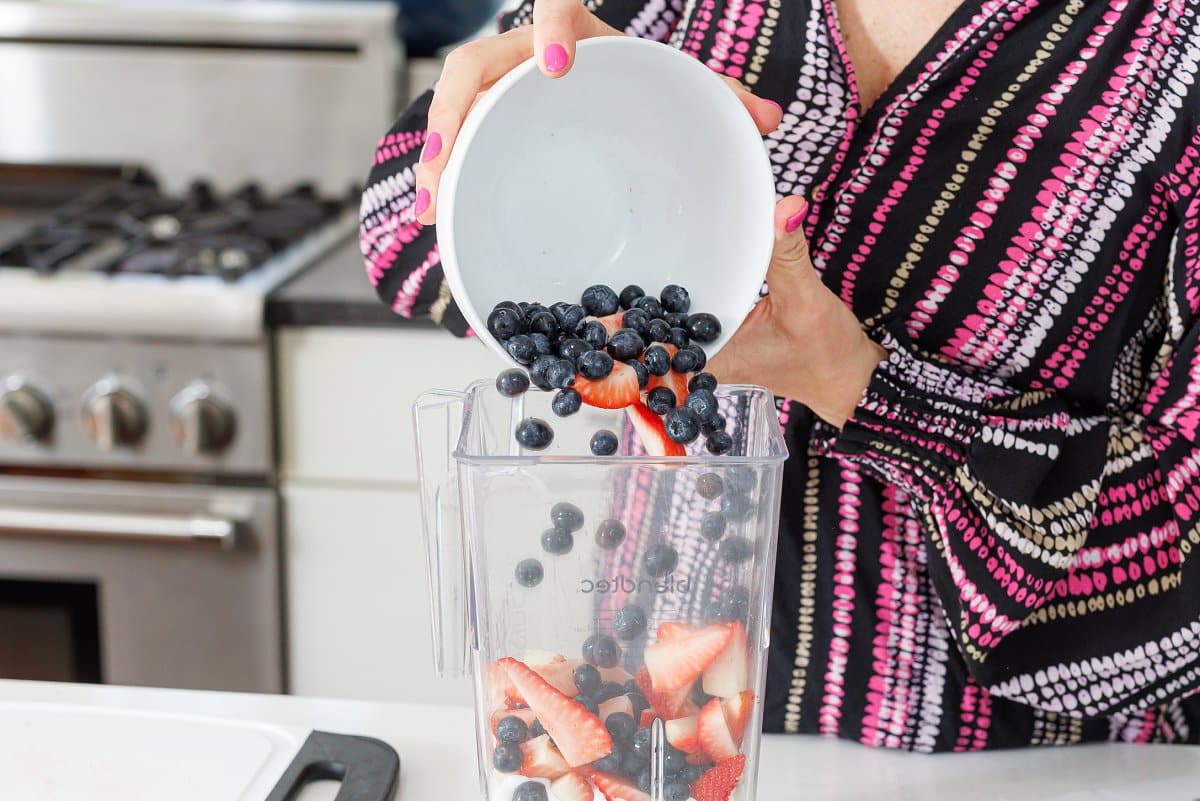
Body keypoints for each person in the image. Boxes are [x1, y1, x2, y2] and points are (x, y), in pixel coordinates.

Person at [361, 0, 1200, 751]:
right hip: (664, 740)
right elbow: (402, 246)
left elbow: (1183, 588)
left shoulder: (1174, 52)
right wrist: (531, 118)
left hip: (1034, 770)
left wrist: (861, 386)